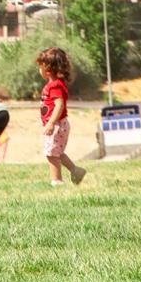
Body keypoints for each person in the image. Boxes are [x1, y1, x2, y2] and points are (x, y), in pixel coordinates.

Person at [37, 47, 86, 187]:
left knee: (51, 154)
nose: (38, 70)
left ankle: (56, 181)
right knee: (56, 152)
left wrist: (51, 123)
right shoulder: (55, 84)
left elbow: (59, 105)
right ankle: (75, 171)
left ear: (47, 68)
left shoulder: (55, 86)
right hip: (58, 124)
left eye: (40, 66)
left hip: (57, 124)